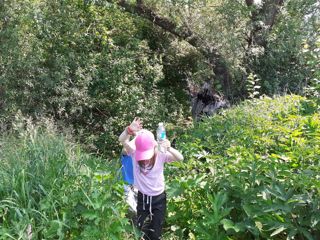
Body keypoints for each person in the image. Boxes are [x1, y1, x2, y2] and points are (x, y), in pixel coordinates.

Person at [118, 117, 183, 240]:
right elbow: (122, 140)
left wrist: (169, 147)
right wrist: (129, 130)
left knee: (156, 231)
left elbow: (180, 158)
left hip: (159, 198)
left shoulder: (161, 154)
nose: (145, 158)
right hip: (143, 198)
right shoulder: (133, 153)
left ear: (154, 147)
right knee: (140, 230)